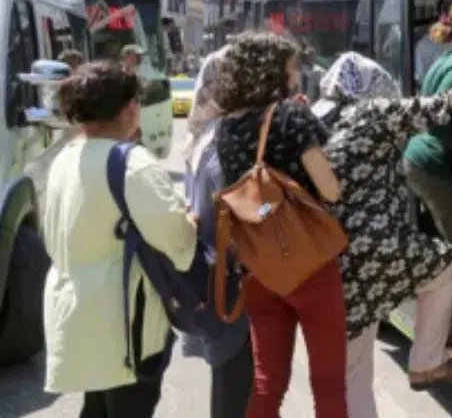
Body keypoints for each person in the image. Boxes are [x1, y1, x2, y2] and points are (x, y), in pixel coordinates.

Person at [313, 53, 452, 413]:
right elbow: (442, 109)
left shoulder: (321, 119)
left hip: (330, 259)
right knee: (449, 263)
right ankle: (426, 362)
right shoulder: (372, 113)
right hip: (375, 251)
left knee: (353, 376)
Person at [42, 61, 198, 417]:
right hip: (125, 322)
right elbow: (177, 242)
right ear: (130, 108)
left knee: (96, 408)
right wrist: (189, 220)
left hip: (76, 310)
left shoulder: (64, 157)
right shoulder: (132, 163)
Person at [213, 32, 346, 418]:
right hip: (310, 264)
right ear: (273, 72)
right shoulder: (292, 115)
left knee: (267, 383)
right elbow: (330, 190)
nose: (296, 76)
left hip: (260, 267)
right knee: (328, 383)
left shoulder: (227, 125)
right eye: (291, 68)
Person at [178, 47, 254, 418]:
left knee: (228, 382)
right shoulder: (225, 138)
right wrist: (275, 207)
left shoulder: (200, 132)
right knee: (236, 386)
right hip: (231, 281)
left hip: (210, 274)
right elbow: (243, 209)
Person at [403, 2, 452, 354]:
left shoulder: (448, 57)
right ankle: (450, 334)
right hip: (435, 164)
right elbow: (450, 123)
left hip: (421, 160)